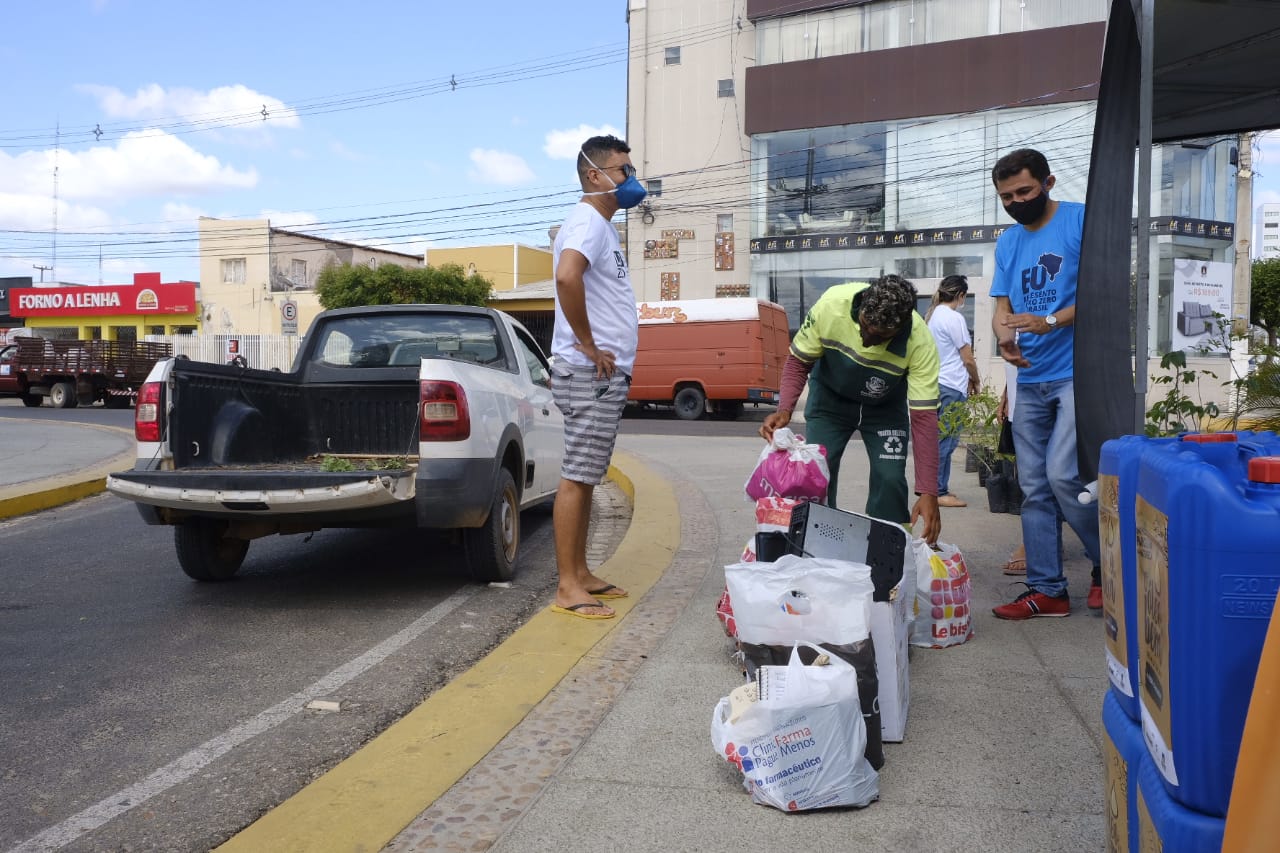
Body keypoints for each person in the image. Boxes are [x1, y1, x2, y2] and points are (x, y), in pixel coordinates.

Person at [988, 148, 1102, 619]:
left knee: (1063, 476)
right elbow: (1001, 309)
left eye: (1024, 191)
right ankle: (1047, 590)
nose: (1016, 202)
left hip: (1077, 372)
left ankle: (1109, 568)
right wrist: (1003, 339)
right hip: (1029, 378)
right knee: (1032, 485)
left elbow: (1103, 292)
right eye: (1006, 197)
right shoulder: (1008, 243)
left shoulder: (1080, 221)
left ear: (1049, 183)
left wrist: (1050, 320)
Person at [760, 275, 942, 545]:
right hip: (830, 403)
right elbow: (798, 362)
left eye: (880, 337)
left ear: (901, 328)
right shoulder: (831, 305)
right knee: (819, 471)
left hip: (884, 408)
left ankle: (891, 549)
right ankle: (818, 544)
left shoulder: (920, 342)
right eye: (865, 326)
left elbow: (924, 418)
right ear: (861, 307)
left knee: (890, 478)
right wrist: (785, 409)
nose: (867, 340)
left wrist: (929, 491)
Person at [548, 134, 647, 620]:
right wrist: (588, 346)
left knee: (587, 477)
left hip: (599, 374)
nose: (632, 179)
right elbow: (567, 277)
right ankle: (568, 586)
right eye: (624, 170)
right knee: (577, 476)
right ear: (596, 175)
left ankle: (580, 573)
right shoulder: (588, 221)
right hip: (590, 373)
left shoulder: (600, 227)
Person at [926, 274, 981, 507]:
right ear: (960, 295)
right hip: (951, 385)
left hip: (938, 383)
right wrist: (975, 379)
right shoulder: (954, 317)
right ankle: (938, 492)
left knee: (939, 439)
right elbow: (967, 358)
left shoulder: (933, 315)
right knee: (946, 440)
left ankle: (937, 489)